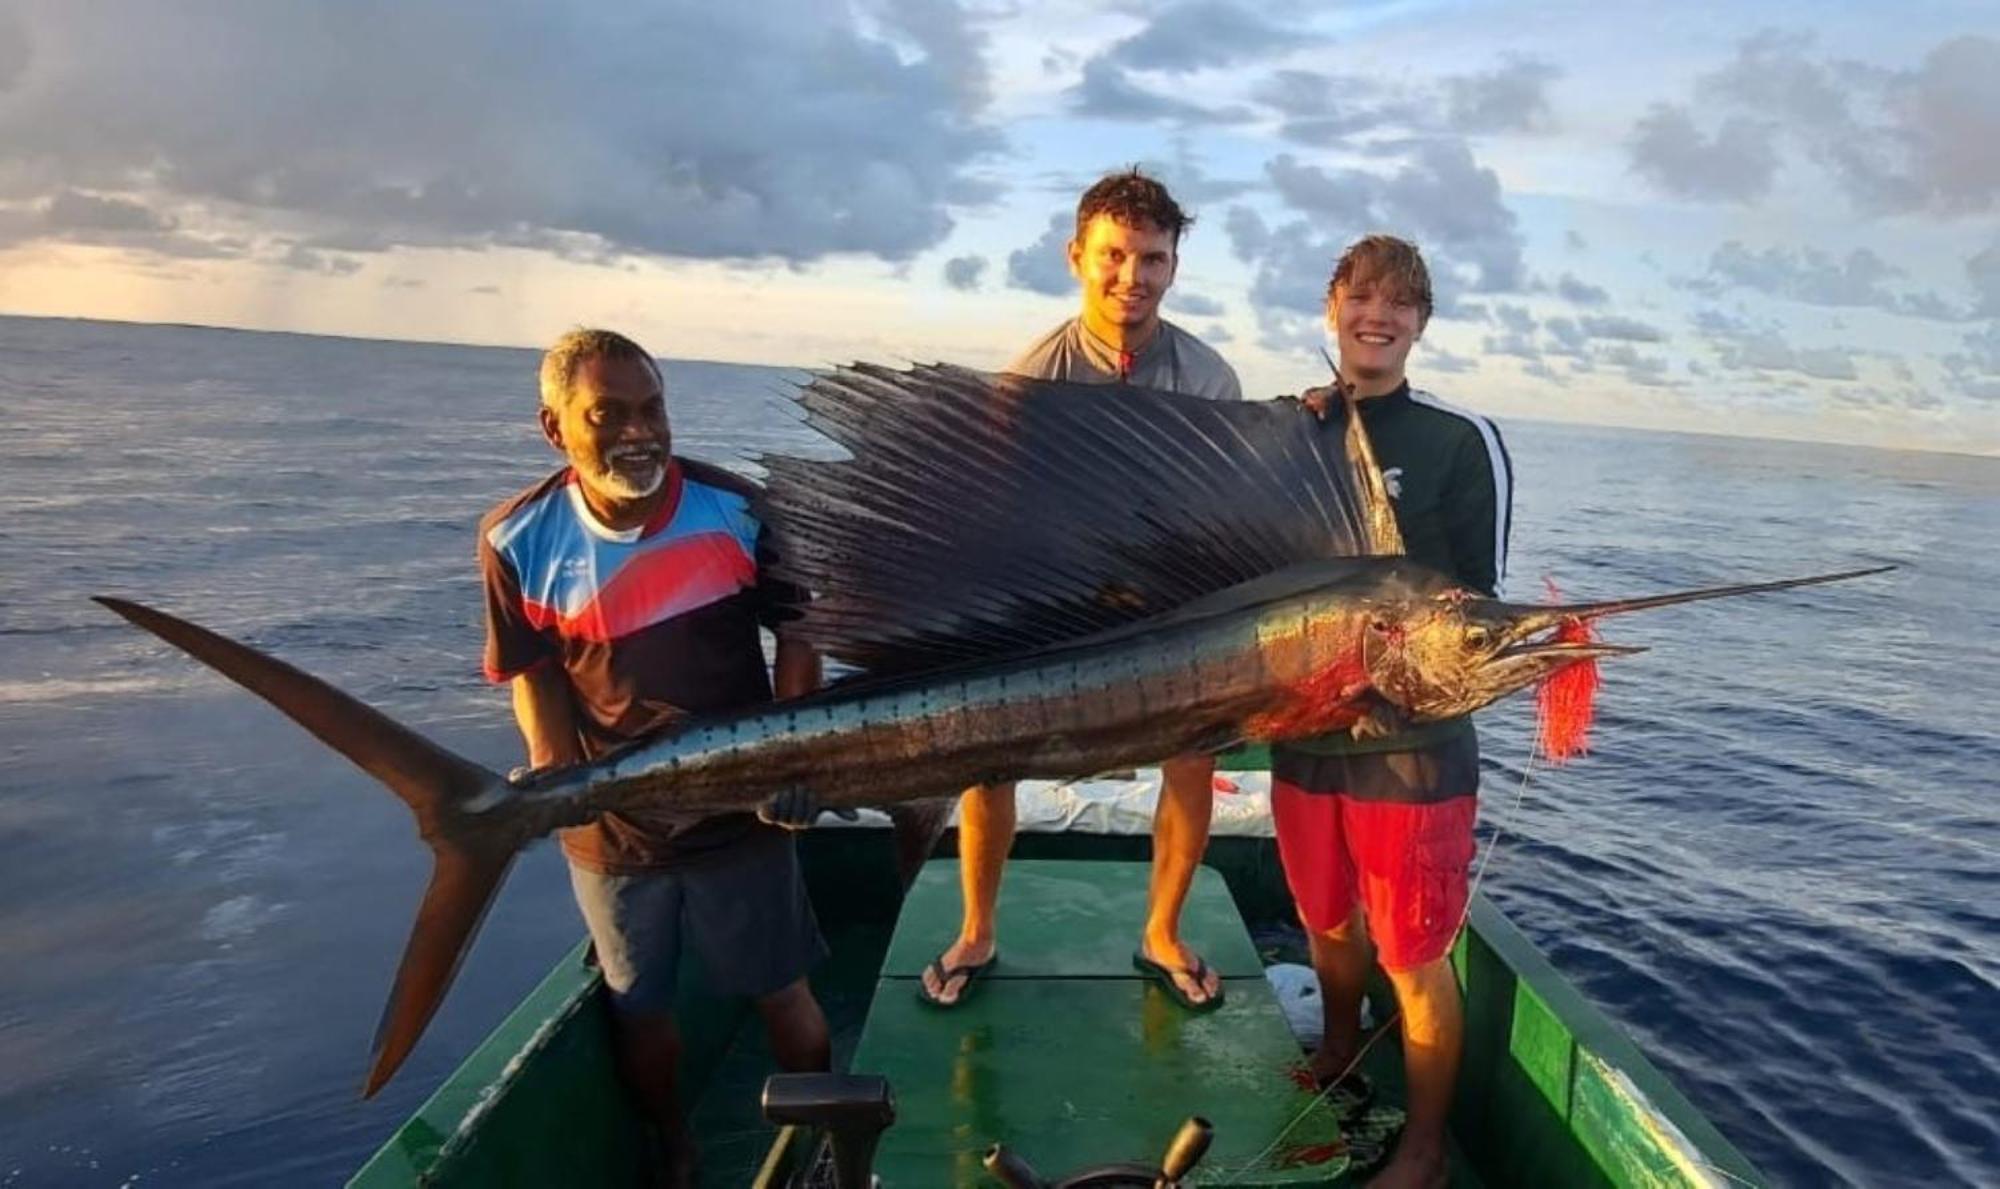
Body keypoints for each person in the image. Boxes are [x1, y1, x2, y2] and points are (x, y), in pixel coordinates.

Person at [479, 328, 832, 1186]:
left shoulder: (737, 507)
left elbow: (800, 633)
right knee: (640, 1008)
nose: (639, 431)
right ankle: (675, 1147)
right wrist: (556, 772)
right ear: (555, 427)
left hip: (743, 812)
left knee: (781, 988)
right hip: (614, 832)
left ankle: (826, 1139)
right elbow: (533, 673)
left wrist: (793, 755)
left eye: (653, 409)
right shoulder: (514, 538)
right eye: (609, 414)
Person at [919, 168, 1243, 1012]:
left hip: (1169, 600)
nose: (1129, 276)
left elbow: (1220, 516)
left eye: (1150, 258)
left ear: (1174, 267)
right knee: (992, 757)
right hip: (1051, 600)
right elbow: (996, 518)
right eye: (1112, 255)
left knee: (1195, 752)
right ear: (1076, 256)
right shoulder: (1031, 379)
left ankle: (1163, 930)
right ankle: (978, 928)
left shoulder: (1210, 379)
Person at [1279, 236, 1513, 1189]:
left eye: (1400, 303)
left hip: (1412, 750)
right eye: (1362, 297)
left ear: (1421, 322)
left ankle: (1421, 1153)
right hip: (1304, 733)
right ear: (1333, 305)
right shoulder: (1291, 429)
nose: (1378, 315)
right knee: (1327, 923)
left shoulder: (1458, 443)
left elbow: (1474, 605)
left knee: (1413, 958)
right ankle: (1336, 1057)